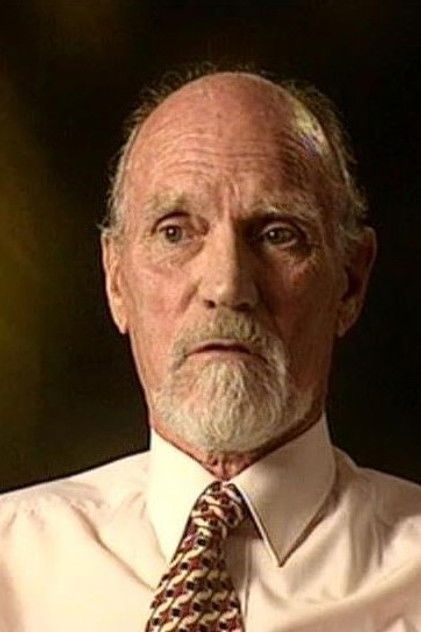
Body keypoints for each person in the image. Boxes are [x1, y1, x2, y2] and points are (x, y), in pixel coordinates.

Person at [0, 69, 420, 632]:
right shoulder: (10, 565)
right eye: (175, 232)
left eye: (277, 234)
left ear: (350, 281)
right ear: (116, 281)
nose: (227, 285)